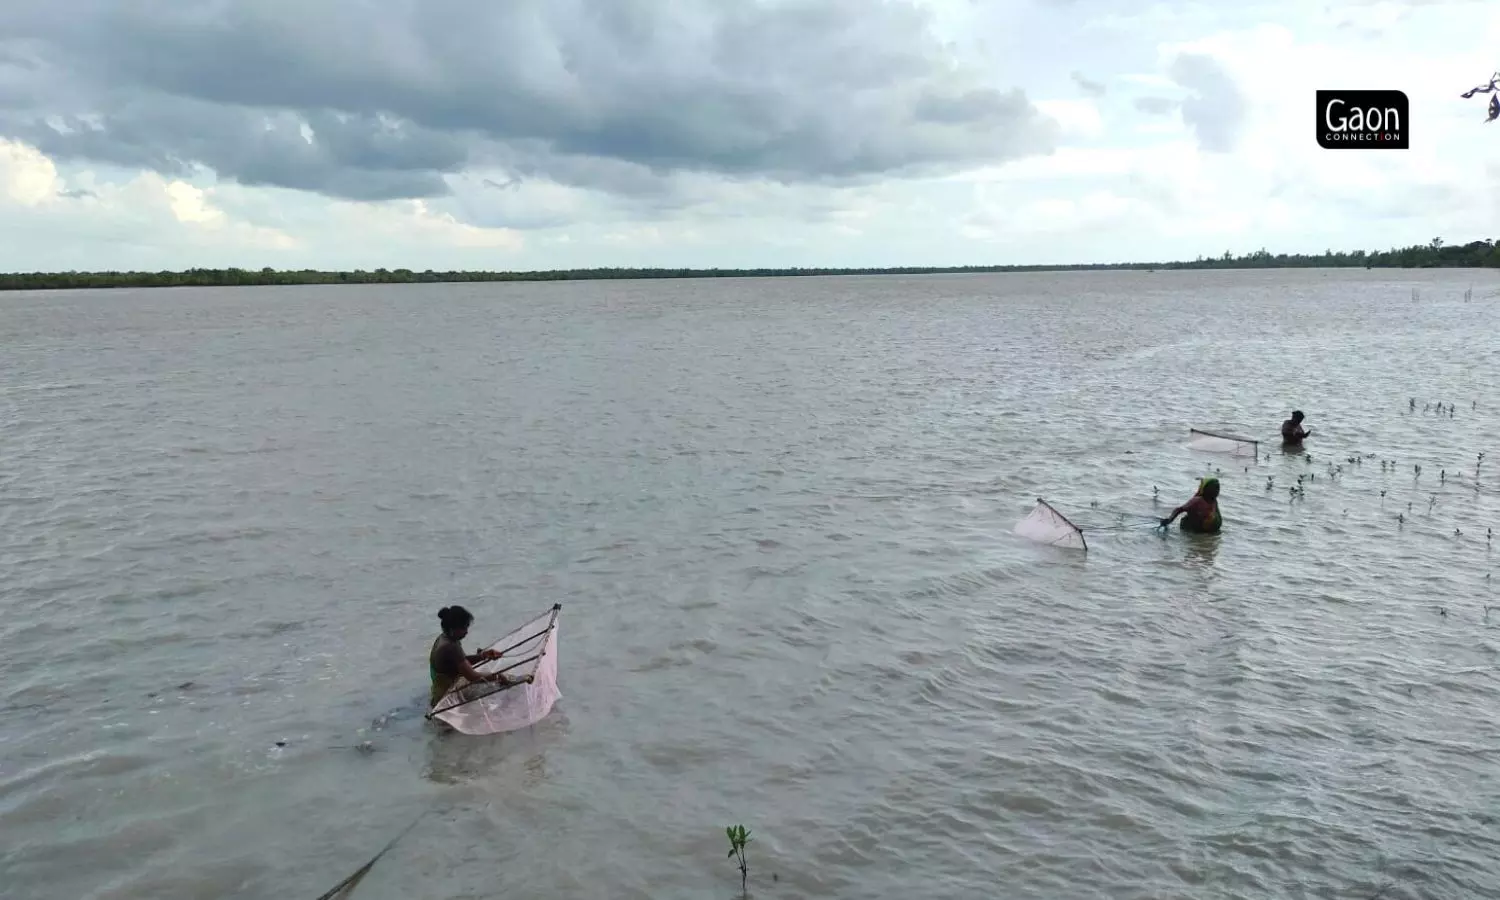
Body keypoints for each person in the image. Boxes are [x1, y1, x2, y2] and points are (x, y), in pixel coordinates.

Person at [429, 605, 510, 708]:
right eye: (464, 628)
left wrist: (483, 656)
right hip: (445, 699)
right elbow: (473, 677)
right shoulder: (451, 647)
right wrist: (497, 676)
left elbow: (461, 661)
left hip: (439, 692)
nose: (467, 631)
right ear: (453, 628)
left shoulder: (444, 638)